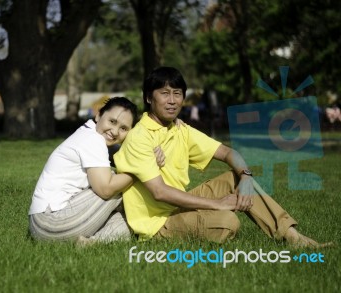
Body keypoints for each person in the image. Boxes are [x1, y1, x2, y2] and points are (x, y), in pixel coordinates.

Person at [114, 66, 333, 247]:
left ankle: (292, 237)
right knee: (228, 222)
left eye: (177, 93)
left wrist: (246, 176)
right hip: (156, 224)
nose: (172, 100)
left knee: (237, 178)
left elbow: (229, 152)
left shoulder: (180, 129)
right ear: (148, 98)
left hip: (177, 207)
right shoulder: (139, 137)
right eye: (164, 93)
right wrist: (216, 204)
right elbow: (160, 192)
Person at [28, 97, 165, 243]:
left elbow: (125, 158)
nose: (115, 131)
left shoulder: (91, 135)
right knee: (121, 189)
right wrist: (143, 169)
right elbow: (105, 189)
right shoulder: (92, 139)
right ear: (99, 115)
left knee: (133, 217)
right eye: (112, 121)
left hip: (44, 228)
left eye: (124, 128)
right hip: (50, 222)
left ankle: (91, 243)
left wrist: (174, 124)